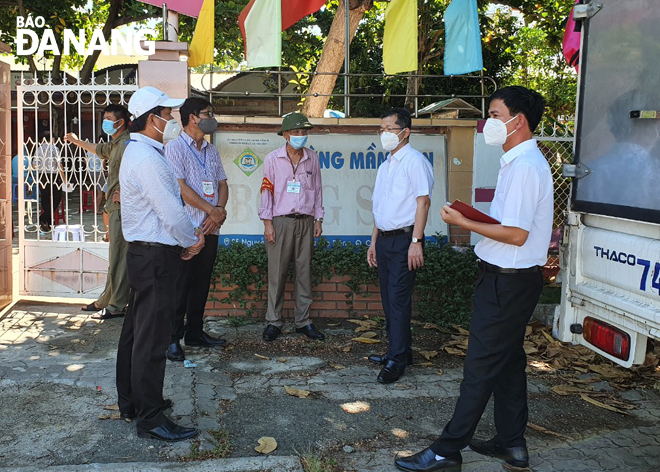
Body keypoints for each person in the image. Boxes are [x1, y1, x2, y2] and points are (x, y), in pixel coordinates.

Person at [395, 86, 552, 472]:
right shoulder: (516, 163)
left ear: (520, 120)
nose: (488, 123)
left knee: (479, 367)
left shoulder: (526, 167)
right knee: (509, 362)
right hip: (507, 280)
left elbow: (517, 234)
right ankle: (512, 444)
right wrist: (476, 218)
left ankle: (448, 449)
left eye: (496, 115)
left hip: (508, 282)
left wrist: (464, 223)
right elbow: (510, 227)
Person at [116, 86, 204, 442]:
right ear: (151, 119)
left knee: (136, 333)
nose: (173, 120)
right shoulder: (148, 159)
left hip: (145, 254)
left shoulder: (142, 152)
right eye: (168, 115)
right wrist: (192, 240)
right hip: (155, 256)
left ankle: (134, 402)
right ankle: (150, 419)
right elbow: (170, 211)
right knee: (151, 340)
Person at [366, 108, 434, 385]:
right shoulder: (386, 164)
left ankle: (397, 360)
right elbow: (379, 208)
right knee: (388, 300)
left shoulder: (415, 162)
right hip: (384, 240)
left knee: (398, 300)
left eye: (389, 128)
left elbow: (423, 202)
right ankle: (399, 351)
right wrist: (373, 243)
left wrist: (416, 242)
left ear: (405, 131)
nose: (384, 134)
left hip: (405, 240)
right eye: (381, 129)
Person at [164, 98, 229, 361]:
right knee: (181, 286)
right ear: (192, 117)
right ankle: (172, 339)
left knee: (202, 284)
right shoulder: (175, 148)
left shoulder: (211, 151)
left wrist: (219, 211)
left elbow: (223, 183)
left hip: (211, 228)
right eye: (207, 113)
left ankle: (194, 332)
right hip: (188, 230)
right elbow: (181, 188)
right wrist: (210, 210)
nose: (211, 117)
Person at [258, 112, 325, 342]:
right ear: (285, 135)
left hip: (306, 222)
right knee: (277, 273)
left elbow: (317, 190)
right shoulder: (272, 159)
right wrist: (267, 223)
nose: (300, 136)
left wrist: (319, 219)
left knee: (303, 273)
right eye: (296, 132)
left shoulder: (312, 158)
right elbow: (266, 190)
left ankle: (303, 322)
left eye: (304, 132)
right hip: (280, 221)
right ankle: (273, 322)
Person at [65, 105, 131, 320]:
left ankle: (118, 304)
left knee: (120, 259)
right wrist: (75, 140)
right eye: (104, 118)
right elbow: (97, 148)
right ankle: (106, 300)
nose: (105, 122)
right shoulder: (115, 143)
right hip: (115, 208)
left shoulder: (127, 144)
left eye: (108, 118)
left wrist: (127, 194)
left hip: (122, 208)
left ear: (120, 122)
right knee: (115, 258)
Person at [34, 132, 64, 232]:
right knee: (57, 196)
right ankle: (44, 218)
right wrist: (64, 179)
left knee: (45, 197)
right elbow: (59, 164)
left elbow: (34, 165)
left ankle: (48, 220)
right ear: (52, 138)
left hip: (42, 175)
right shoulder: (54, 148)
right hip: (53, 175)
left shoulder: (38, 149)